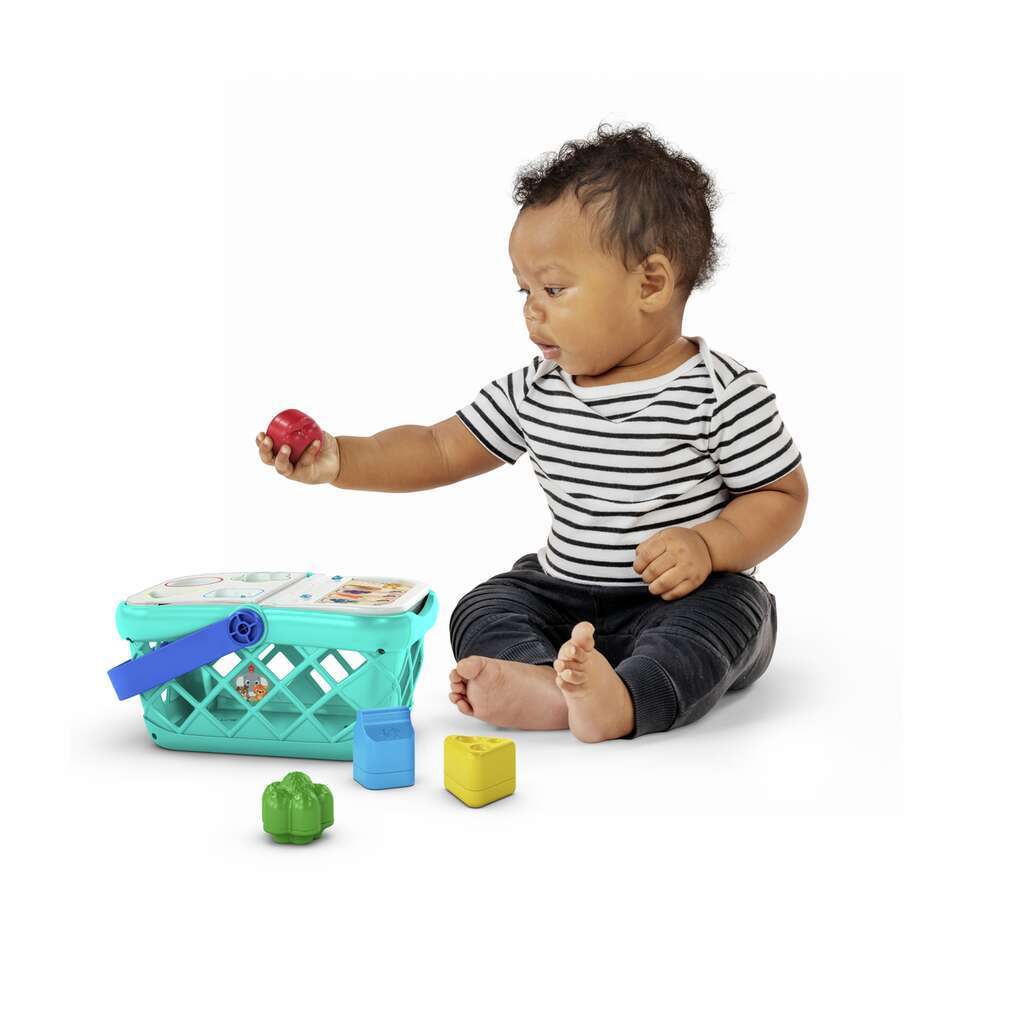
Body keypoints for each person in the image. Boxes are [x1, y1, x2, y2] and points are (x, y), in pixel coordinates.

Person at [255, 122, 808, 743]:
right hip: (563, 593)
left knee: (732, 616)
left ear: (650, 284)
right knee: (486, 604)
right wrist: (340, 459)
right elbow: (438, 448)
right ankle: (550, 683)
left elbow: (781, 495)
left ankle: (626, 699)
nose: (531, 310)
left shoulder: (721, 392)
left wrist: (709, 545)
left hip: (685, 597)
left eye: (553, 288)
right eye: (524, 290)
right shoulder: (536, 389)